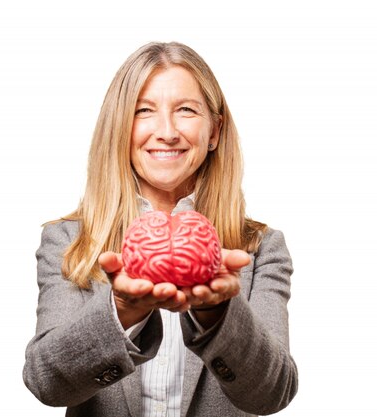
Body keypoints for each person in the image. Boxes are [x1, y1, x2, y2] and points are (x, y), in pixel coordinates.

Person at [23, 41, 298, 417]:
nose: (166, 131)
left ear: (214, 131)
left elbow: (273, 393)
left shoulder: (260, 249)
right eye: (144, 111)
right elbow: (45, 383)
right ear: (120, 128)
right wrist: (120, 313)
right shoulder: (70, 241)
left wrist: (219, 316)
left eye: (186, 110)